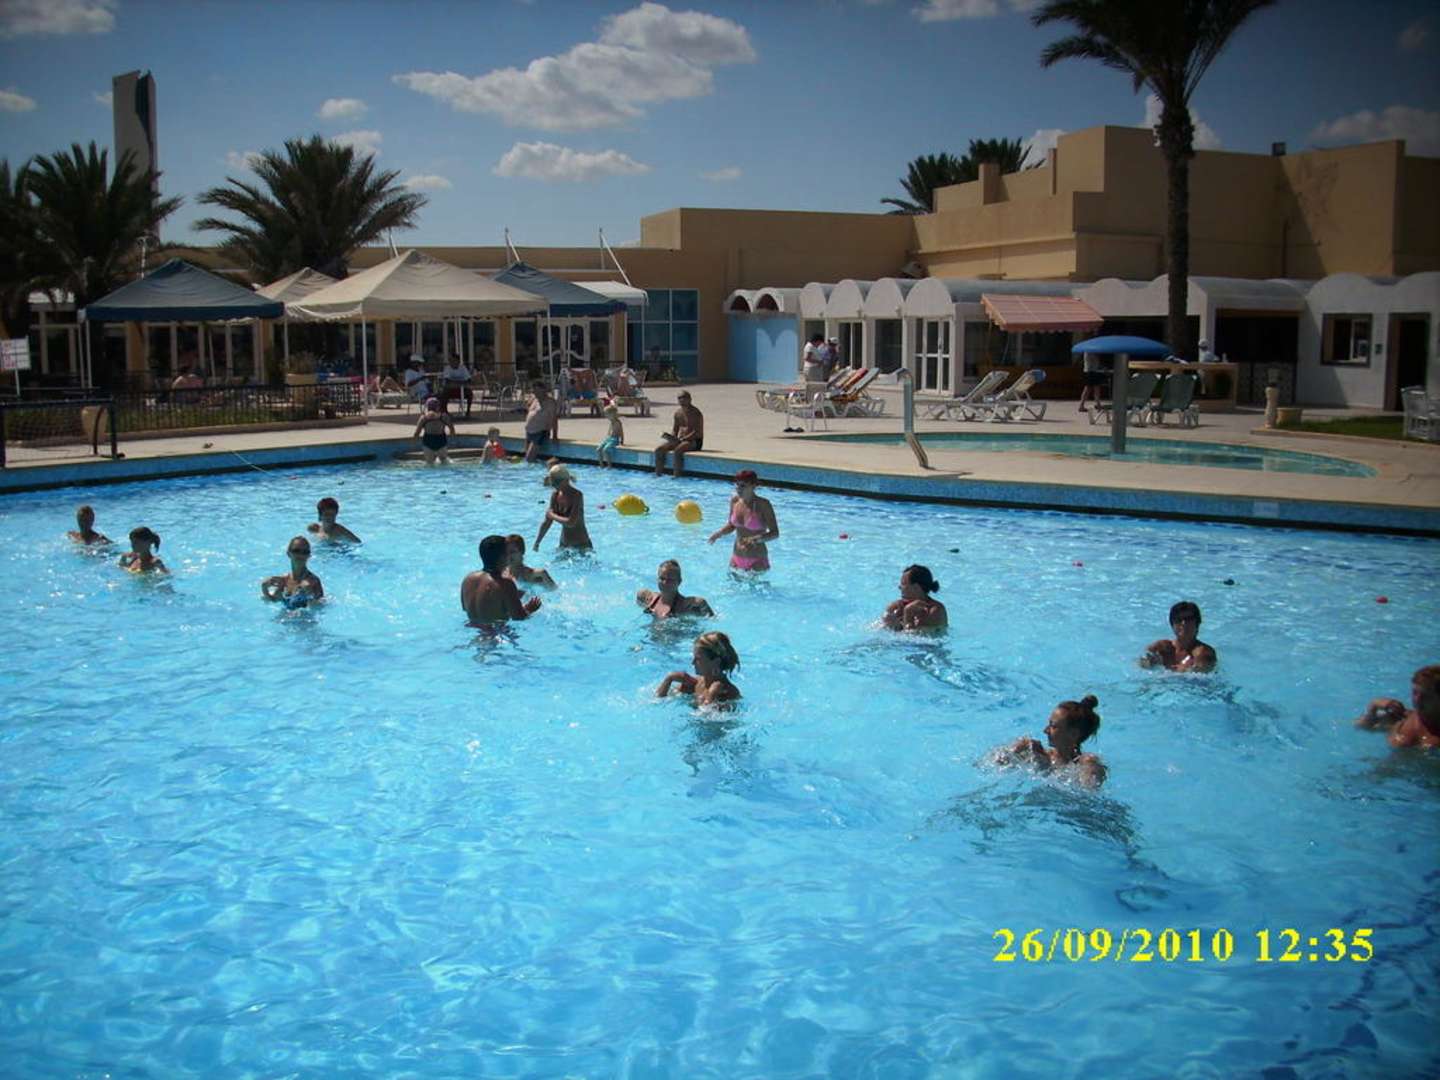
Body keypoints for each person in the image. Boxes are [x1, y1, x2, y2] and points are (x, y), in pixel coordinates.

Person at [994, 695, 1106, 789]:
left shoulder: (1087, 763)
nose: (1045, 730)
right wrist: (1015, 750)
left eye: (1053, 726)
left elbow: (1087, 792)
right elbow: (996, 764)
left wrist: (1091, 768)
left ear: (1073, 734)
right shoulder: (1036, 754)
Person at [462, 534, 542, 625]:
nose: (510, 556)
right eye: (508, 552)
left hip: (473, 628)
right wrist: (529, 609)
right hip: (498, 631)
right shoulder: (505, 584)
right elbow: (518, 617)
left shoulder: (468, 579)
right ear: (502, 557)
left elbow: (466, 608)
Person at [708, 469, 779, 571]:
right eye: (737, 485)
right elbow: (731, 525)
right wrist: (719, 533)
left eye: (743, 486)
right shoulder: (735, 501)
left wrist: (755, 539)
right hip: (736, 558)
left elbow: (775, 533)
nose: (738, 489)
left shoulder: (763, 505)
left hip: (757, 560)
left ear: (753, 486)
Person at [1355, 664, 1440, 750]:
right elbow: (1361, 726)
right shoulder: (1402, 718)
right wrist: (1373, 706)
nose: (1417, 700)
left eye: (1426, 696)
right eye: (1415, 693)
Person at [657, 630, 741, 705]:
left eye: (698, 659)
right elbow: (658, 700)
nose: (693, 663)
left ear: (716, 662)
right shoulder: (696, 683)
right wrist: (669, 679)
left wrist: (711, 696)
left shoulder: (730, 693)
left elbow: (705, 716)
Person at [1140, 600, 1217, 672]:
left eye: (1188, 619)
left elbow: (1200, 673)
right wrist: (1150, 663)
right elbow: (1142, 663)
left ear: (1197, 623)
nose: (1183, 623)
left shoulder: (1203, 653)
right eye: (1179, 619)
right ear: (1172, 624)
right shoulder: (1161, 647)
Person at [535, 464, 592, 551]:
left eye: (556, 482)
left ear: (566, 480)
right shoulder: (555, 495)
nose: (553, 485)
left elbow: (571, 522)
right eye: (552, 482)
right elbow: (547, 522)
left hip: (581, 545)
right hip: (563, 544)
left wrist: (552, 515)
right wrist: (537, 542)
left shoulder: (577, 495)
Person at [261, 535, 325, 608]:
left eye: (305, 552)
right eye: (296, 551)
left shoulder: (314, 581)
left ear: (308, 555)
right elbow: (273, 600)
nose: (300, 555)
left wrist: (309, 593)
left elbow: (319, 608)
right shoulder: (284, 580)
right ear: (288, 553)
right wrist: (264, 588)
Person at [637, 559, 715, 619]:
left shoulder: (685, 605)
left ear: (679, 582)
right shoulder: (650, 599)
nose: (665, 582)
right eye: (662, 578)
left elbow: (712, 619)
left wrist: (704, 605)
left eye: (670, 580)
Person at [882, 564, 947, 631]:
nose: (899, 587)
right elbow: (877, 630)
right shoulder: (897, 606)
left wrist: (908, 614)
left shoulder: (935, 611)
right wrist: (890, 625)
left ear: (916, 587)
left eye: (903, 584)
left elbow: (919, 636)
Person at [654, 390, 704, 477]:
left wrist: (684, 439)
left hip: (694, 441)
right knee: (659, 449)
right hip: (680, 440)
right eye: (679, 398)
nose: (681, 400)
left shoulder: (696, 413)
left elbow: (696, 432)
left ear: (690, 399)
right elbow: (675, 429)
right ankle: (658, 475)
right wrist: (671, 437)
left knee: (677, 450)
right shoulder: (678, 413)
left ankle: (676, 476)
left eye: (684, 398)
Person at [413, 396, 455, 465]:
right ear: (438, 407)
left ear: (428, 407)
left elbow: (417, 432)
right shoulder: (444, 416)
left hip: (428, 442)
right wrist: (452, 439)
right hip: (441, 441)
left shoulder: (424, 418)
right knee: (444, 461)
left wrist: (414, 442)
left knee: (429, 463)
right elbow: (452, 429)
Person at [524, 381, 559, 463]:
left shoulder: (550, 402)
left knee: (529, 459)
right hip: (529, 432)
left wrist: (555, 435)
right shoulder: (534, 400)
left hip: (540, 432)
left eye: (537, 391)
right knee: (526, 458)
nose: (535, 393)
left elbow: (554, 419)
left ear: (543, 390)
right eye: (534, 391)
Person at [597, 402, 624, 467]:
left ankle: (609, 466)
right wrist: (606, 438)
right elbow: (609, 432)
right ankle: (601, 465)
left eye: (607, 414)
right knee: (598, 449)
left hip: (614, 439)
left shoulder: (618, 423)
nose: (606, 416)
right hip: (608, 439)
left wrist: (622, 441)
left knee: (605, 450)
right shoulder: (611, 422)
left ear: (612, 414)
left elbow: (621, 432)